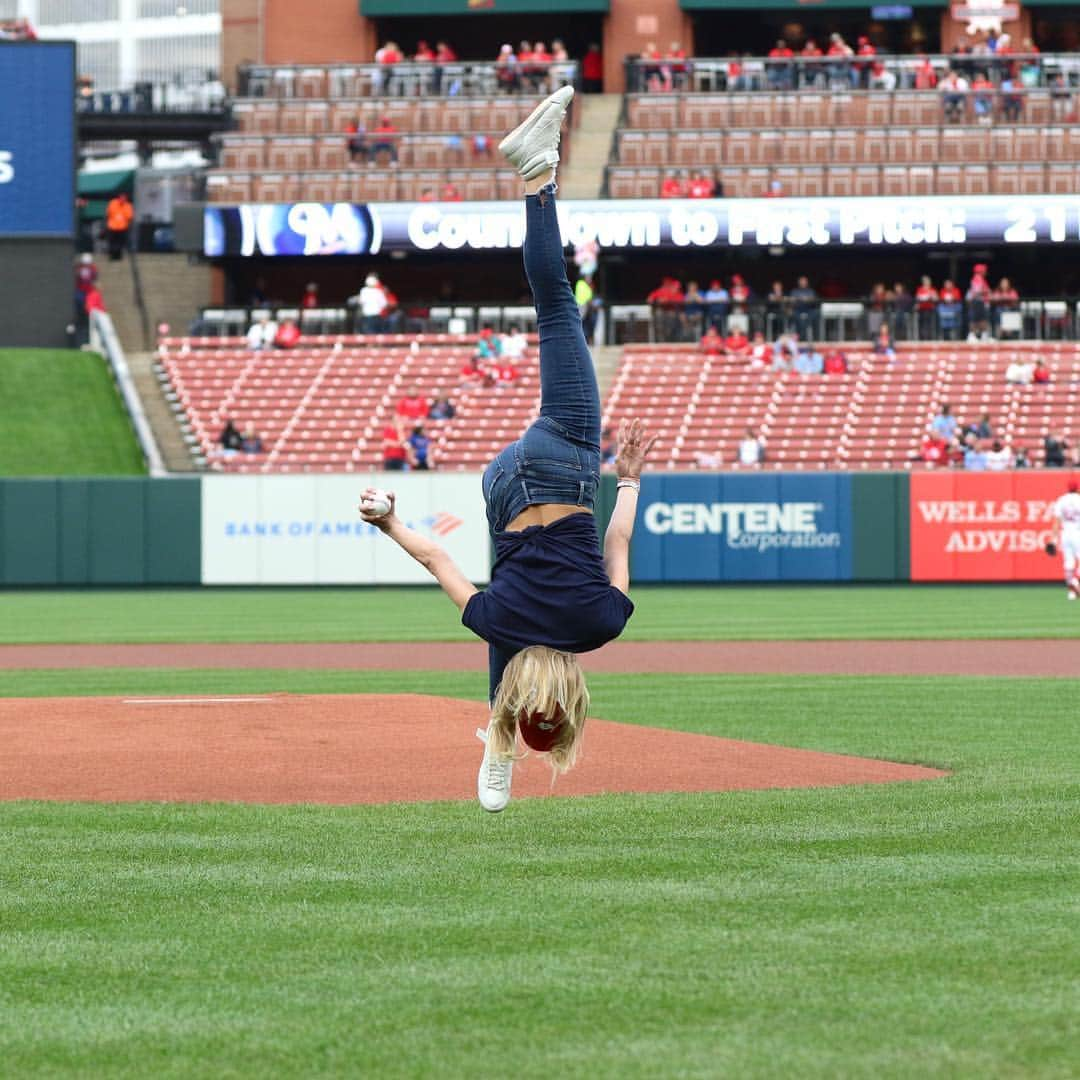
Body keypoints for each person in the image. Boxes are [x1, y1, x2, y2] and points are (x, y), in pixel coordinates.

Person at [360, 88, 656, 812]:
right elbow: (437, 558)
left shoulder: (602, 627)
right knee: (502, 601)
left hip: (562, 461)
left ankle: (537, 179)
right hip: (501, 486)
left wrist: (630, 480)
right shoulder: (500, 626)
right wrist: (385, 520)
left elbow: (617, 541)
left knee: (557, 304)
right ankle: (497, 740)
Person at [1051, 479, 1080, 599]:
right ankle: (1075, 582)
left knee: (1069, 562)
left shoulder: (1061, 500)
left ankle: (1071, 592)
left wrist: (1053, 540)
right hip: (1078, 532)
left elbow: (1056, 521)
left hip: (1065, 533)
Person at [105, 192, 134, 261]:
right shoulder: (112, 203)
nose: (122, 199)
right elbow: (108, 213)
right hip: (112, 227)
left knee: (120, 243)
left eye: (124, 198)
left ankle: (118, 257)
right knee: (112, 243)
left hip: (122, 228)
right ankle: (112, 256)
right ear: (119, 198)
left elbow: (129, 216)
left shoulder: (128, 206)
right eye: (121, 198)